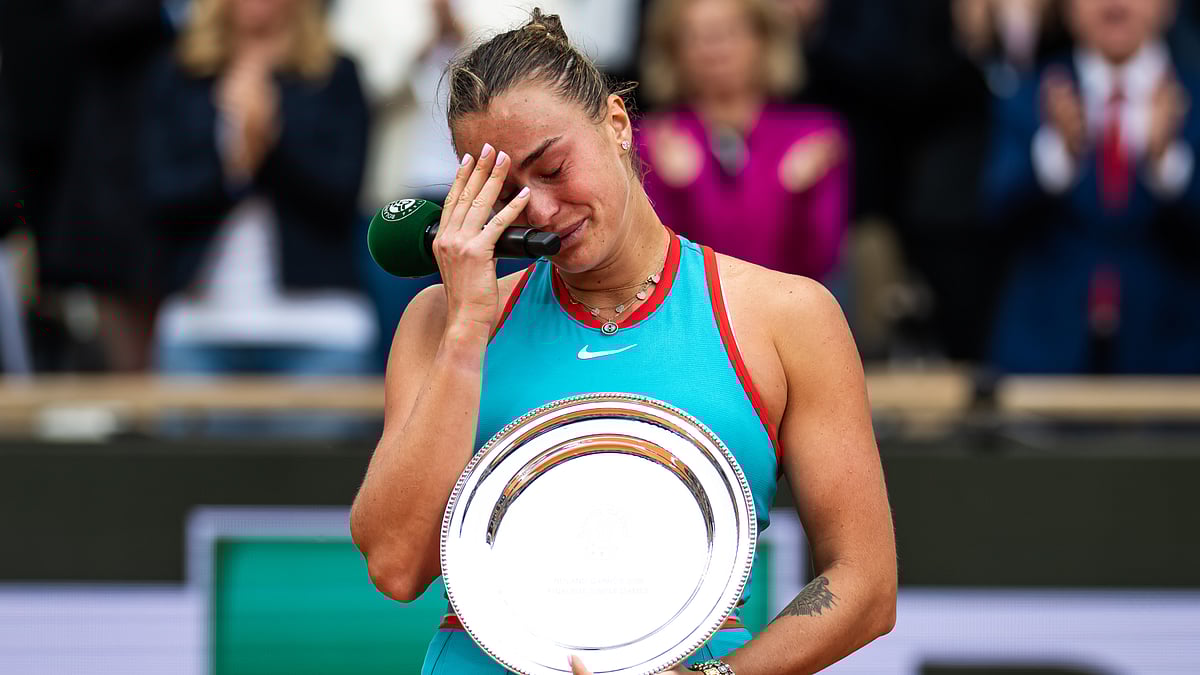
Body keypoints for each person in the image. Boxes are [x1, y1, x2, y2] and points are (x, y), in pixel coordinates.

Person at [349, 10, 895, 674]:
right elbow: (397, 564)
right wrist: (467, 329)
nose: (542, 210)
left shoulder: (787, 315)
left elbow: (865, 583)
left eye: (551, 167)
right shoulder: (442, 320)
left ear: (616, 122)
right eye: (506, 193)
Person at [143, 0, 375, 390]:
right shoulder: (180, 74)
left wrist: (268, 142)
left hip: (320, 329)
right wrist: (235, 169)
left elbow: (342, 194)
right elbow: (160, 196)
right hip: (201, 327)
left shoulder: (335, 73)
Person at [982, 0, 1200, 373]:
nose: (1115, 4)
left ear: (1168, 6)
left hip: (1170, 358)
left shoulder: (1191, 97)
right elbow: (995, 214)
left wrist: (1167, 163)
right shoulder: (1031, 94)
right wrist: (1058, 154)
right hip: (1046, 356)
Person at [636, 0, 850, 282]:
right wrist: (685, 192)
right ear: (673, 51)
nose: (714, 49)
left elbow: (819, 262)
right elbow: (656, 266)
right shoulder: (650, 138)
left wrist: (800, 199)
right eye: (695, 36)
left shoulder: (814, 134)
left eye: (729, 31)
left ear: (764, 39)